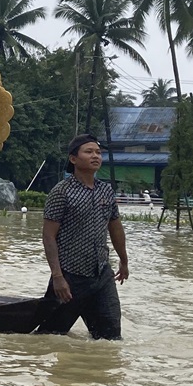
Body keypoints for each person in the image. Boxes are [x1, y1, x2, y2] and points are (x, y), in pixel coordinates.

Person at [37, 133, 129, 340]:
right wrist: (58, 278)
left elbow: (115, 228)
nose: (95, 156)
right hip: (70, 277)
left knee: (110, 338)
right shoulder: (61, 192)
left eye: (98, 152)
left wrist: (124, 261)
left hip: (101, 274)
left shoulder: (106, 190)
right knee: (50, 335)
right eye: (88, 152)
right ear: (73, 159)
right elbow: (48, 236)